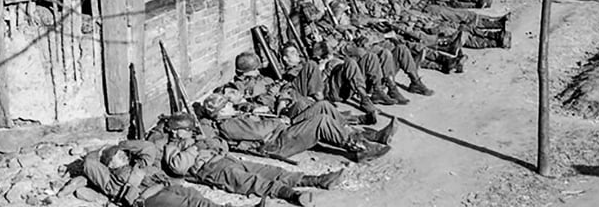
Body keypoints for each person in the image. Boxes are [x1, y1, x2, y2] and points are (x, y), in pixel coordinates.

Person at [160, 113, 334, 207]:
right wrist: (196, 148)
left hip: (225, 158)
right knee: (251, 181)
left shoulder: (195, 138)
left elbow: (223, 145)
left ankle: (315, 180)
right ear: (175, 131)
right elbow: (179, 167)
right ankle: (293, 195)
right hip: (210, 169)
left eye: (191, 129)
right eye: (187, 130)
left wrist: (213, 144)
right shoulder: (172, 147)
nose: (191, 132)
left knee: (267, 170)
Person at [195, 91, 393, 162]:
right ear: (220, 112)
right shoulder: (228, 125)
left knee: (321, 105)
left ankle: (367, 136)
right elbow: (258, 131)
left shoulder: (233, 116)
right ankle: (361, 148)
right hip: (276, 143)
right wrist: (279, 121)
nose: (230, 105)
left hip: (280, 132)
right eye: (226, 105)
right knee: (320, 120)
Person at [82, 138, 251, 207]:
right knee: (192, 205)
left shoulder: (140, 164)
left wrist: (121, 144)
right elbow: (89, 163)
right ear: (110, 164)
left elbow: (147, 147)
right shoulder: (112, 180)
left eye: (122, 153)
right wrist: (99, 151)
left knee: (195, 196)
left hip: (166, 186)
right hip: (149, 198)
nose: (124, 155)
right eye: (118, 156)